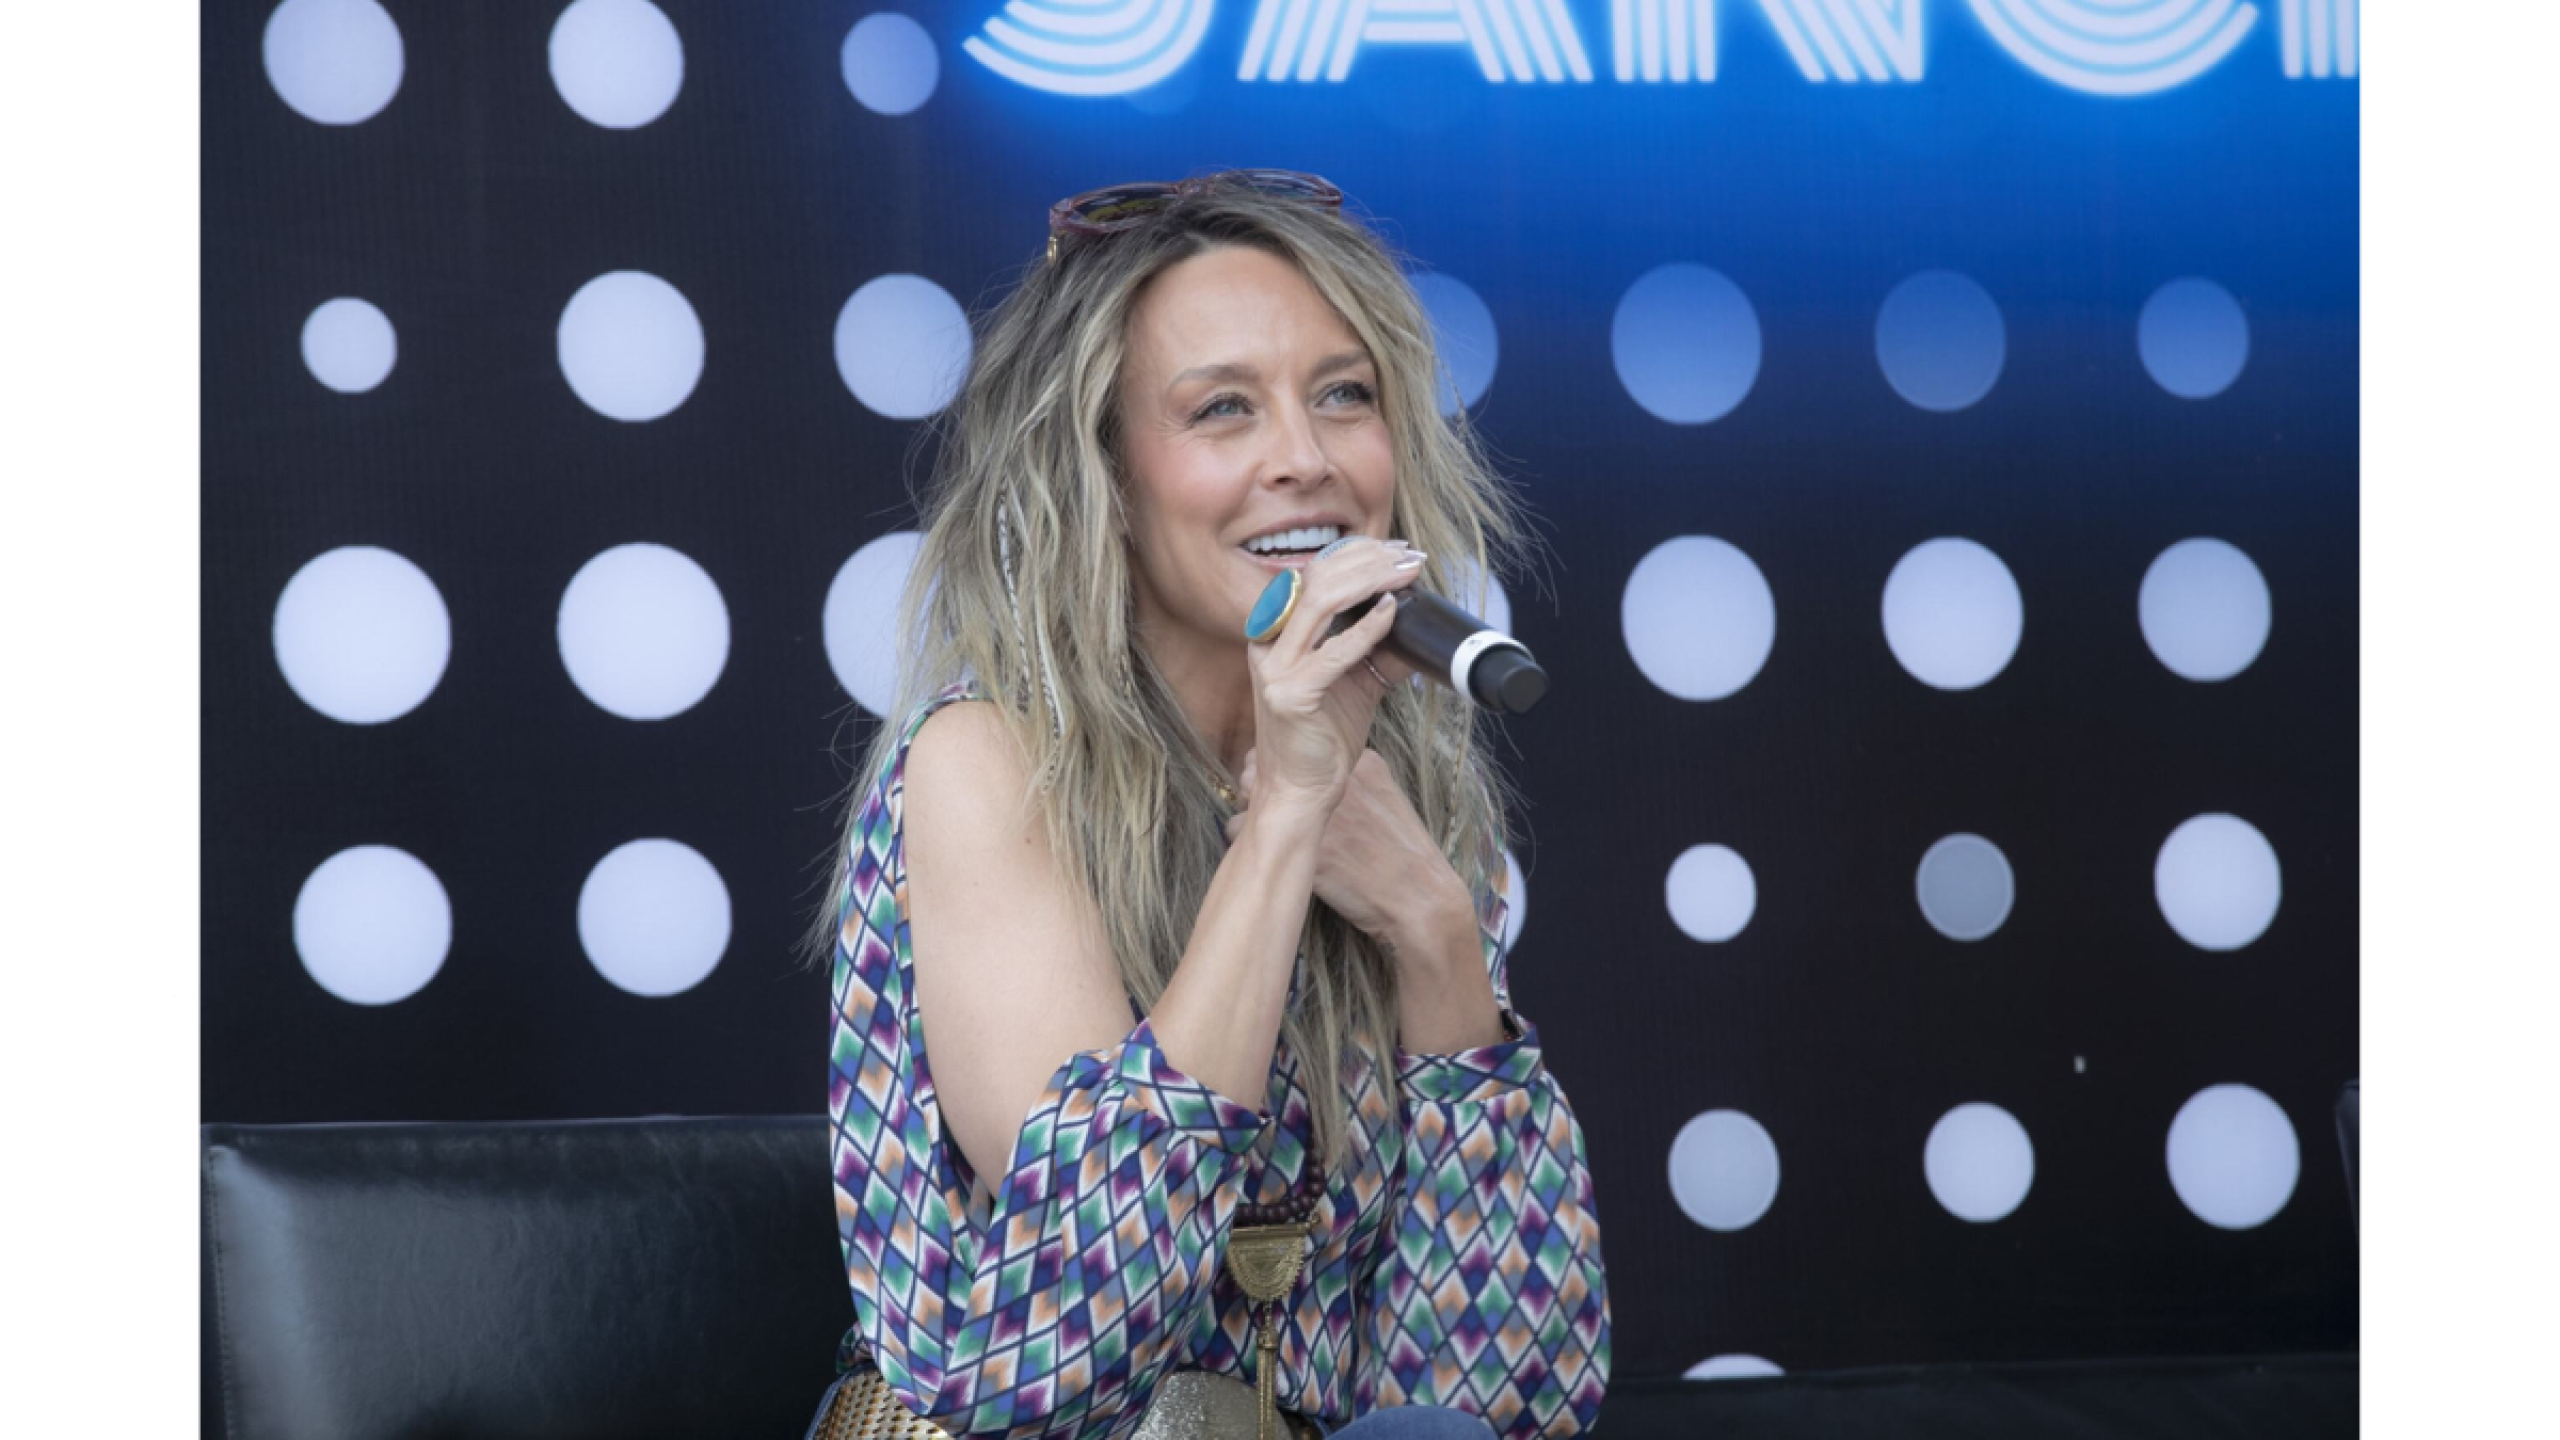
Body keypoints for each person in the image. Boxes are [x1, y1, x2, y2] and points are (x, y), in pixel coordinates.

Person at [799, 170, 1609, 1439]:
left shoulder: (1411, 805)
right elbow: (1070, 1347)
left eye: (1344, 396)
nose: (1304, 459)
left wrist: (1438, 936)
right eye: (1221, 410)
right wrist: (1282, 822)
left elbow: (1508, 1396)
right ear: (1102, 476)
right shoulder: (991, 763)